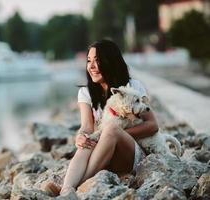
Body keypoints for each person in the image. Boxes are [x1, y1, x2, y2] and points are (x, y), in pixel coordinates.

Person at [43, 39, 159, 196]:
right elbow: (86, 126)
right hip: (103, 156)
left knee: (110, 129)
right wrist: (80, 136)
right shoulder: (86, 93)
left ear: (110, 62)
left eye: (97, 61)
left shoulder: (133, 87)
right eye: (89, 61)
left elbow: (152, 125)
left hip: (131, 154)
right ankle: (67, 189)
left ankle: (80, 184)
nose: (91, 67)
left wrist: (114, 135)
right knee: (88, 140)